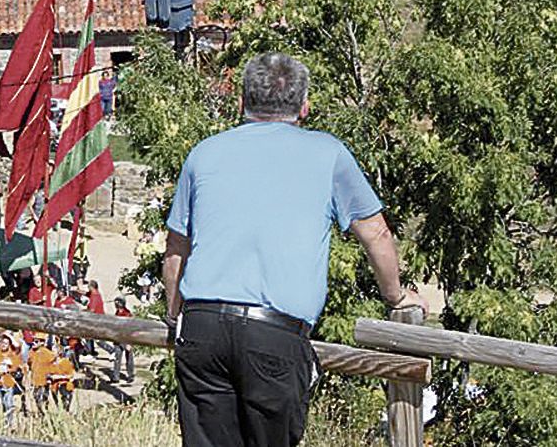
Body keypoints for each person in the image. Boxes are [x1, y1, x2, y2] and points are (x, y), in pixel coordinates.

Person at [162, 52, 428, 447]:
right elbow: (377, 235)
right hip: (274, 332)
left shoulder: (204, 152)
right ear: (304, 106)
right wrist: (395, 294)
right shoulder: (328, 153)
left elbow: (176, 248)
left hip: (202, 326)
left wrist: (174, 317)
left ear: (242, 103)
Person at [0, 333, 24, 426]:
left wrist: (7, 369)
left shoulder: (12, 354)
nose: (3, 345)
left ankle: (9, 423)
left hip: (8, 382)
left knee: (8, 404)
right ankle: (0, 422)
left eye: (6, 343)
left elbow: (15, 368)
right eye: (2, 342)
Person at [27, 332, 57, 412]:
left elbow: (53, 363)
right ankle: (41, 411)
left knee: (43, 397)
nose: (33, 342)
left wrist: (50, 376)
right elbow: (29, 363)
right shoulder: (31, 352)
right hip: (35, 380)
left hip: (44, 381)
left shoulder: (48, 353)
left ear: (42, 342)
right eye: (33, 340)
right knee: (36, 396)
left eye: (36, 341)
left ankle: (44, 412)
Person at [110, 297, 135, 383]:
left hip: (126, 339)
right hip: (118, 339)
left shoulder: (127, 314)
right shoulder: (117, 313)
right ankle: (116, 377)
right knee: (117, 359)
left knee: (129, 359)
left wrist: (129, 343)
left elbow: (130, 330)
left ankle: (130, 375)